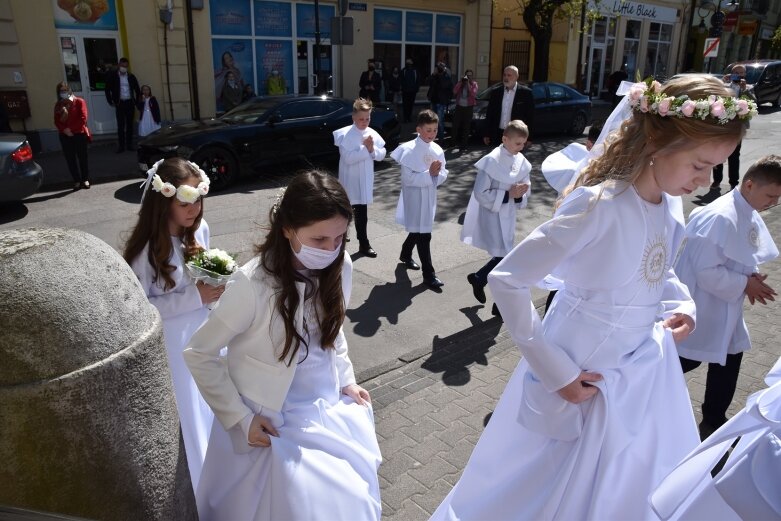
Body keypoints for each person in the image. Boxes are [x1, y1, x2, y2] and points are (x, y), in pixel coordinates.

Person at [430, 75, 755, 520]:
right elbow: (507, 280)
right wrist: (555, 371)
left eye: (716, 167)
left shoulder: (669, 205)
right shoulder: (598, 206)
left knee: (619, 481)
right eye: (699, 165)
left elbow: (654, 270)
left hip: (636, 373)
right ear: (657, 144)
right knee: (544, 482)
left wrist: (682, 304)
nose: (706, 180)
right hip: (577, 370)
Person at [183, 171, 381, 520]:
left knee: (346, 499)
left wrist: (346, 378)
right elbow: (200, 353)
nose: (331, 250)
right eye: (319, 239)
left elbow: (332, 330)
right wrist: (240, 419)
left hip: (324, 403)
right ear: (288, 229)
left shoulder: (341, 265)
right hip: (271, 418)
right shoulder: (253, 282)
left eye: (340, 238)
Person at [124, 157, 220, 493]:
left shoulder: (199, 230)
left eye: (198, 200)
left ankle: (227, 480)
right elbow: (139, 308)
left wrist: (219, 285)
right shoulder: (146, 250)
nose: (194, 210)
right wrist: (196, 297)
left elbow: (205, 275)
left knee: (217, 405)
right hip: (175, 348)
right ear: (163, 201)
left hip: (207, 335)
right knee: (193, 416)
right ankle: (202, 489)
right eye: (185, 203)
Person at [676, 155, 781, 440]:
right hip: (702, 305)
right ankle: (642, 395)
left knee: (729, 356)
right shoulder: (720, 216)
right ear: (749, 185)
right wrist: (744, 284)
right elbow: (706, 271)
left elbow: (740, 252)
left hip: (724, 305)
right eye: (771, 195)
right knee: (685, 360)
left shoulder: (745, 208)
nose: (773, 203)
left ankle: (713, 417)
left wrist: (752, 276)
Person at [463, 120, 531, 308]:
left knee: (504, 256)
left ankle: (480, 279)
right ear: (505, 139)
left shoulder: (521, 162)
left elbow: (526, 185)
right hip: (493, 216)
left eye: (524, 143)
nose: (521, 147)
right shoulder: (492, 161)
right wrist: (508, 194)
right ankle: (498, 302)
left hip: (508, 216)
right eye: (518, 143)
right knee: (505, 258)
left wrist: (521, 193)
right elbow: (480, 192)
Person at [392, 109, 448, 289]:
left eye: (435, 130)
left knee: (419, 230)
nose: (432, 134)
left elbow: (444, 173)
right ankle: (429, 275)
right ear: (418, 129)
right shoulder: (408, 149)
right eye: (428, 130)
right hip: (414, 197)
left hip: (429, 197)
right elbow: (408, 179)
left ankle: (405, 253)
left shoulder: (437, 149)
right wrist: (429, 174)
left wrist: (437, 175)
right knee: (424, 234)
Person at [333, 98, 387, 258]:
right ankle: (339, 241)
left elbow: (381, 154)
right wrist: (366, 149)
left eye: (367, 118)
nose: (364, 122)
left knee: (362, 214)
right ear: (353, 118)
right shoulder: (345, 134)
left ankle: (364, 243)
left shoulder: (372, 133)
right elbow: (348, 158)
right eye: (361, 119)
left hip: (364, 180)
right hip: (349, 180)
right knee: (344, 213)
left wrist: (372, 150)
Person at [711, 64, 754, 191]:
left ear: (745, 75)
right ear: (731, 73)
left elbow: (754, 102)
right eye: (736, 72)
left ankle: (733, 182)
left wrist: (744, 89)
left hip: (738, 126)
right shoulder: (724, 86)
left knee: (734, 155)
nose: (739, 75)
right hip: (723, 124)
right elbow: (714, 98)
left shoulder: (749, 87)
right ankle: (717, 181)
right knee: (719, 152)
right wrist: (721, 82)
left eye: (741, 73)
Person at [483, 65, 534, 147]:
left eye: (509, 75)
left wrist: (529, 137)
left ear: (516, 76)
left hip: (516, 135)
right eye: (504, 75)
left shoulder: (526, 93)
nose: (506, 77)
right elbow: (490, 114)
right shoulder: (496, 92)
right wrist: (486, 133)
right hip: (497, 135)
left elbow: (530, 117)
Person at [54, 82, 90, 190]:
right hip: (65, 136)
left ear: (70, 90)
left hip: (79, 134)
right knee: (70, 159)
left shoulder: (79, 101)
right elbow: (56, 121)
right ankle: (77, 181)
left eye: (65, 90)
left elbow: (83, 118)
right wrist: (64, 130)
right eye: (61, 91)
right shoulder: (58, 105)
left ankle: (85, 179)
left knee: (82, 158)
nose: (64, 93)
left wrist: (71, 129)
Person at [105, 57, 141, 153]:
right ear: (119, 65)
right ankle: (121, 146)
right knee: (120, 125)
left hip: (130, 103)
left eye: (126, 66)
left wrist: (136, 102)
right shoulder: (113, 76)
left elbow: (137, 90)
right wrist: (110, 101)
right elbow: (107, 89)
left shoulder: (131, 76)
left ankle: (129, 144)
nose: (124, 68)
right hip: (119, 103)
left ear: (127, 66)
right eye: (122, 66)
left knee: (130, 125)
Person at [451, 69, 478, 151]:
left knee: (466, 127)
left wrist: (468, 84)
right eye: (467, 75)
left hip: (469, 107)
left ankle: (464, 145)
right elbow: (454, 91)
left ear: (472, 76)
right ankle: (452, 143)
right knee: (455, 126)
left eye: (470, 75)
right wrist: (461, 82)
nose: (469, 77)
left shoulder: (474, 84)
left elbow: (473, 94)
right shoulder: (461, 83)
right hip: (459, 107)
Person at [427, 62, 453, 139]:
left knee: (440, 121)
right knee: (432, 120)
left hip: (441, 102)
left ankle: (441, 139)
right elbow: (428, 82)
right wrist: (433, 74)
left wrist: (441, 75)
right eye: (438, 68)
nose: (438, 70)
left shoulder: (446, 76)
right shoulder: (434, 76)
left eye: (440, 68)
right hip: (433, 100)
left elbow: (444, 85)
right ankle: (433, 136)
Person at [401, 58, 419, 123]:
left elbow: (418, 80)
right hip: (405, 91)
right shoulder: (403, 70)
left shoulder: (415, 71)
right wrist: (402, 88)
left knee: (411, 105)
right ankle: (405, 118)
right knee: (405, 105)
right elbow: (401, 80)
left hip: (412, 91)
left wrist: (416, 88)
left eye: (409, 62)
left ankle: (409, 117)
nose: (408, 63)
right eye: (407, 62)